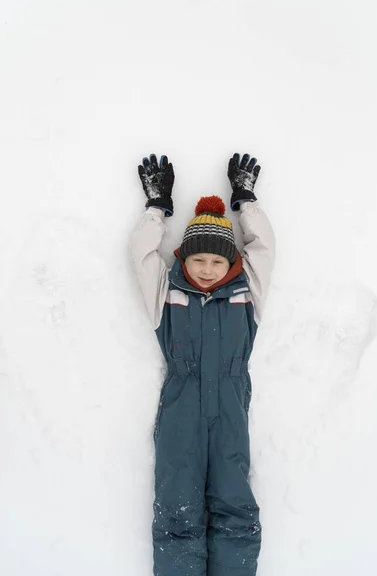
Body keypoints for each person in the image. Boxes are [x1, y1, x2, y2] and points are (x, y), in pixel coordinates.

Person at [130, 153, 276, 576]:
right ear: (184, 260)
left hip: (230, 405)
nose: (208, 269)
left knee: (235, 505)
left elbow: (264, 248)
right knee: (177, 507)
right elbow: (141, 254)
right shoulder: (167, 293)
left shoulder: (246, 292)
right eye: (198, 260)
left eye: (217, 261)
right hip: (181, 407)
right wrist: (157, 208)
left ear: (231, 263)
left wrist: (246, 202)